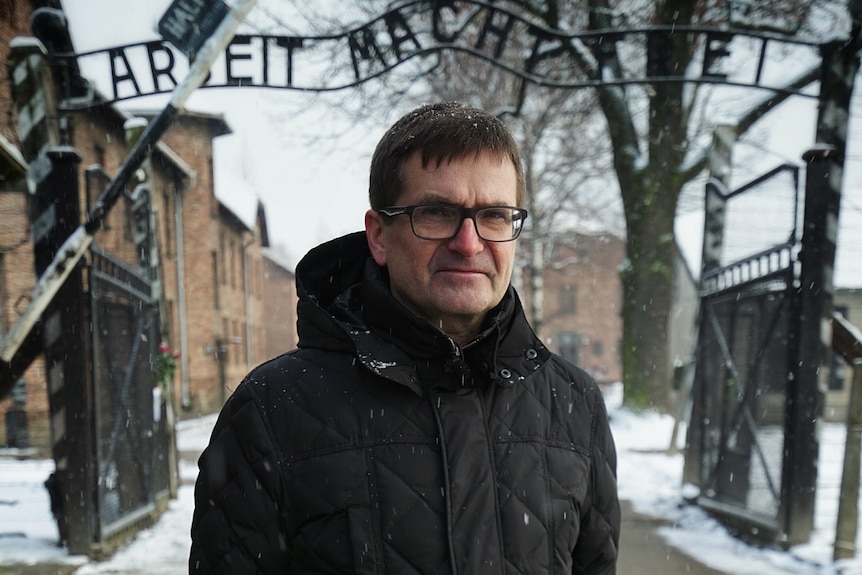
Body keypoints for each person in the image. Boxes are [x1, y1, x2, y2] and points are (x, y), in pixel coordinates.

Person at [189, 101, 620, 574]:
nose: (469, 242)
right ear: (378, 236)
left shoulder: (574, 404)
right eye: (436, 212)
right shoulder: (273, 410)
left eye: (494, 215)